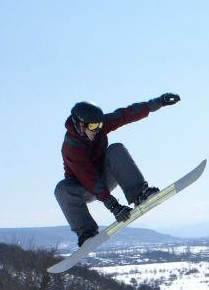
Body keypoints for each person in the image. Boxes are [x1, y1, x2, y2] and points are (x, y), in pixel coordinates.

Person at [55, 93, 181, 246]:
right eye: (93, 126)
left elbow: (126, 114)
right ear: (80, 124)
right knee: (62, 189)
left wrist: (158, 102)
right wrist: (114, 206)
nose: (97, 130)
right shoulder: (71, 147)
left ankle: (139, 194)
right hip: (84, 188)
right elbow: (89, 179)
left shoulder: (99, 128)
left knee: (116, 149)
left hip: (105, 177)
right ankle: (86, 232)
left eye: (100, 125)